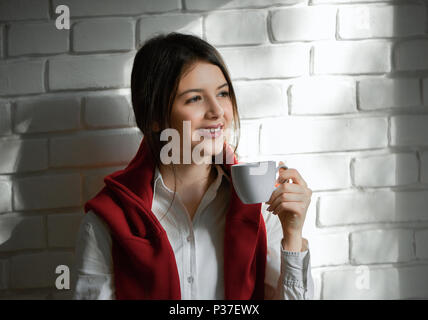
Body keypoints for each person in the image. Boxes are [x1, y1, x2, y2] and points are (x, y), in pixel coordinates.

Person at [72, 32, 314, 300]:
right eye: (194, 98)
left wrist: (293, 236)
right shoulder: (106, 220)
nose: (217, 112)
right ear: (154, 116)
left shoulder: (261, 205)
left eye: (223, 94)